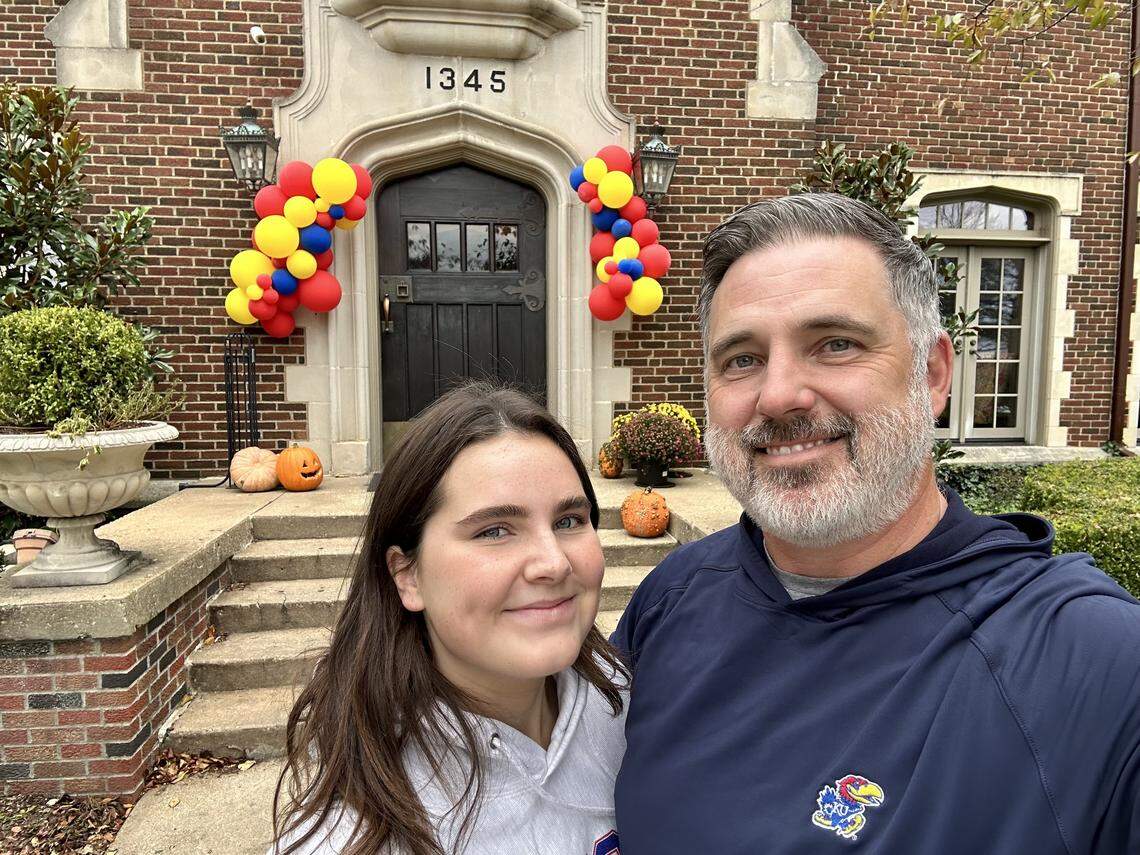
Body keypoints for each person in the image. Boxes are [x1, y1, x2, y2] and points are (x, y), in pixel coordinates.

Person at [612, 192, 1140, 853]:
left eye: (835, 343)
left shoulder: (1093, 664)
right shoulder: (672, 597)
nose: (778, 395)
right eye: (741, 358)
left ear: (933, 373)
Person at [272, 381, 628, 855]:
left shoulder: (630, 702)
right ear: (408, 575)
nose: (555, 563)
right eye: (495, 530)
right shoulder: (355, 835)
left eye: (568, 521)